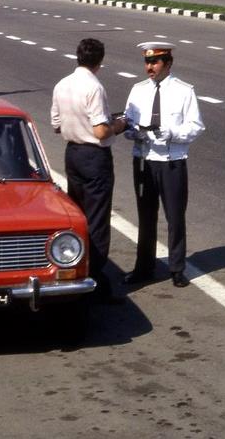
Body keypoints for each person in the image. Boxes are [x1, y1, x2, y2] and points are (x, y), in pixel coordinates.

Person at [51, 38, 128, 303]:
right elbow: (100, 130)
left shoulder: (62, 84)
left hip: (72, 154)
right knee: (96, 220)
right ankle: (94, 276)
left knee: (79, 216)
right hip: (94, 157)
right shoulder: (94, 87)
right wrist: (119, 124)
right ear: (100, 61)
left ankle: (76, 266)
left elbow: (56, 125)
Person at [123, 42, 205, 288]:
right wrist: (136, 132)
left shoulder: (184, 91)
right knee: (146, 216)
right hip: (144, 161)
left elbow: (196, 126)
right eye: (147, 62)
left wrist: (171, 133)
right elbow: (127, 124)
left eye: (155, 62)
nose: (149, 67)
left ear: (168, 64)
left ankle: (177, 268)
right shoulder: (138, 90)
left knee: (175, 216)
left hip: (171, 162)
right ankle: (143, 267)